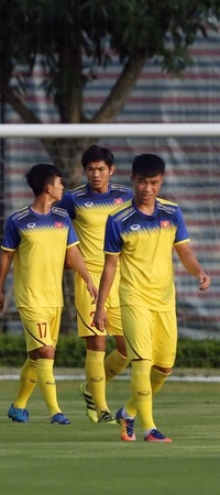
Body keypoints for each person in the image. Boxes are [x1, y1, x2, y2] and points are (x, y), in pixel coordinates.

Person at [93, 153, 210, 443]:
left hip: (164, 301)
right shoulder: (118, 219)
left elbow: (184, 251)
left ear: (161, 182)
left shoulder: (172, 213)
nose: (148, 188)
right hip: (134, 300)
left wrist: (198, 272)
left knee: (164, 367)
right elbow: (110, 267)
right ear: (133, 179)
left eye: (154, 183)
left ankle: (128, 412)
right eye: (143, 182)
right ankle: (149, 428)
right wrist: (100, 307)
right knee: (142, 362)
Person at [0, 163, 97, 426]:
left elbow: (73, 253)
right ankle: (55, 412)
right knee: (46, 352)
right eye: (60, 183)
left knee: (36, 356)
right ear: (49, 188)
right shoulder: (18, 220)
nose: (64, 188)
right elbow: (6, 256)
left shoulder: (62, 219)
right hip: (30, 298)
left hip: (55, 299)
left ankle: (18, 406)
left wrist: (88, 280)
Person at [56, 145, 132, 424]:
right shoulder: (73, 199)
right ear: (85, 171)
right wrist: (63, 257)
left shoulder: (126, 196)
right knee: (97, 343)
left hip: (120, 279)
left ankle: (90, 388)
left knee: (128, 348)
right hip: (89, 280)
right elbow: (52, 225)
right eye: (90, 169)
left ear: (111, 170)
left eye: (101, 169)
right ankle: (102, 409)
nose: (96, 174)